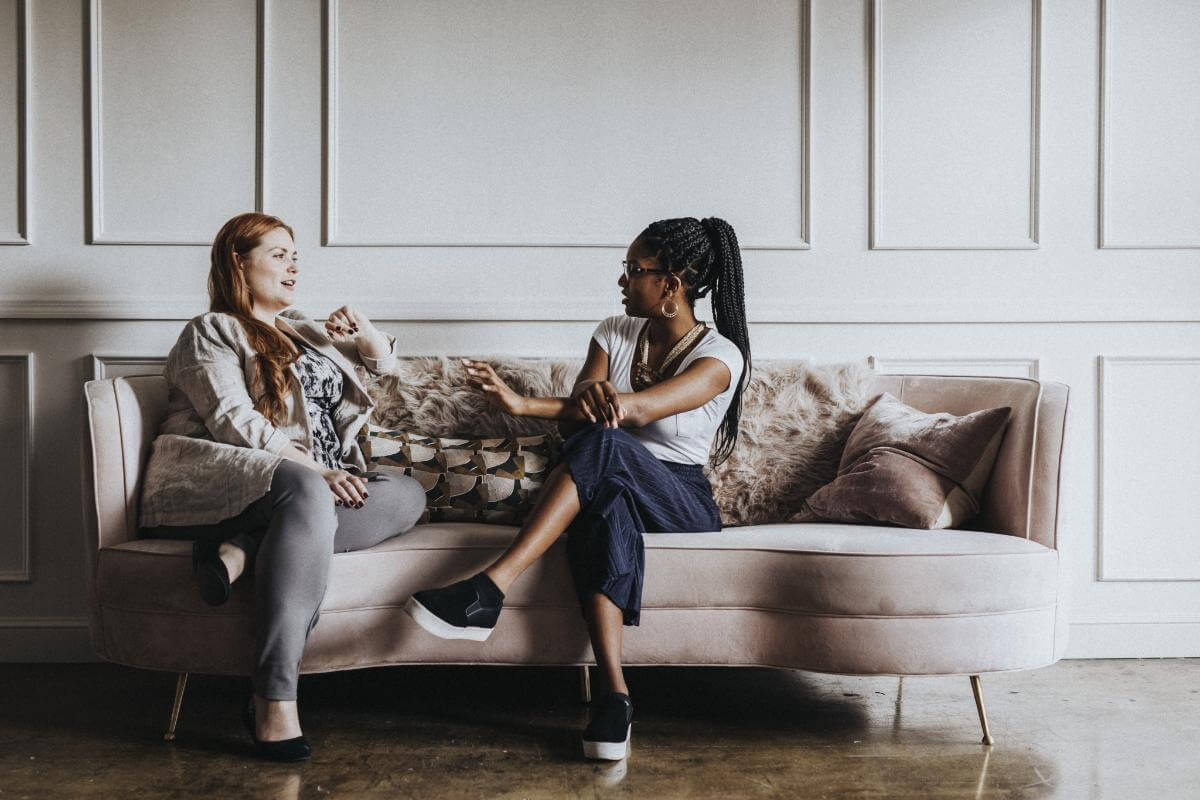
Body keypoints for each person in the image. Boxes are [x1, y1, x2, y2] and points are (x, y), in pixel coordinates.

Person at [404, 216, 750, 761]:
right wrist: (543, 404)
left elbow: (629, 412)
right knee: (604, 500)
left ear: (671, 285)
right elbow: (582, 409)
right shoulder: (614, 331)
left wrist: (547, 404)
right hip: (610, 475)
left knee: (606, 441)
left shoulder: (720, 358)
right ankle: (614, 696)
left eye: (635, 270)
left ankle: (492, 586)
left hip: (679, 497)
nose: (622, 280)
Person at [138, 212, 427, 762]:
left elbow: (387, 372)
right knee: (305, 489)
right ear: (237, 263)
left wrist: (365, 335)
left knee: (407, 494)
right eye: (277, 253)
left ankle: (242, 545)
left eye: (296, 255)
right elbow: (233, 422)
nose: (293, 264)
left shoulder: (303, 329)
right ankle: (274, 696)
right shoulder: (211, 330)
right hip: (235, 473)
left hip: (312, 485)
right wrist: (317, 472)